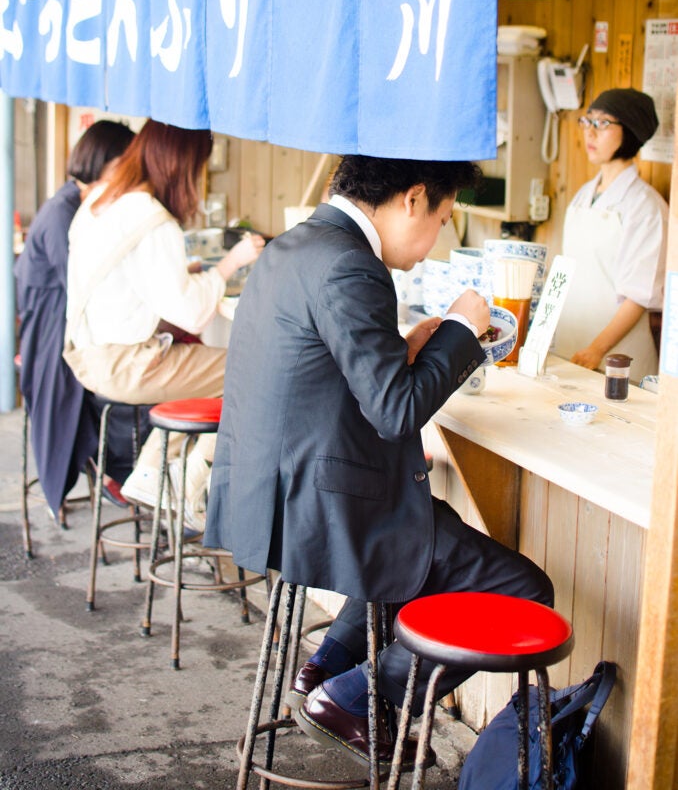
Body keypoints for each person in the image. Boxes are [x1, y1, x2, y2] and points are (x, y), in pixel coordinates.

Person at [203, 155, 554, 770]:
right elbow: (396, 412)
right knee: (526, 590)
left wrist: (414, 345)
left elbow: (342, 375)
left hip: (271, 495)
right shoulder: (350, 265)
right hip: (327, 505)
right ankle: (360, 696)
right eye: (443, 218)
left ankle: (329, 666)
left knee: (412, 552)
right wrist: (463, 334)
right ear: (413, 198)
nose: (438, 236)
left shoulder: (293, 247)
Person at [64, 120, 264, 527]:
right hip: (128, 365)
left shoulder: (101, 199)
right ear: (183, 164)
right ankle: (183, 484)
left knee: (229, 372)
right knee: (257, 372)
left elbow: (130, 284)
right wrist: (234, 260)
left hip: (89, 357)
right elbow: (190, 312)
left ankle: (152, 470)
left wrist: (183, 273)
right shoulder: (154, 219)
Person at [14, 120, 136, 518]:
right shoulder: (64, 212)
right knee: (107, 382)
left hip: (62, 316)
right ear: (105, 162)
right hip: (50, 327)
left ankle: (111, 470)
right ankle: (112, 473)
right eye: (127, 161)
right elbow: (84, 282)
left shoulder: (75, 202)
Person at [555, 88, 668, 384]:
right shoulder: (583, 195)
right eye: (587, 121)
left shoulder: (646, 206)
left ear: (630, 131)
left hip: (617, 359)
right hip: (572, 346)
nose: (590, 133)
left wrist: (596, 350)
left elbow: (638, 295)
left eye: (603, 124)